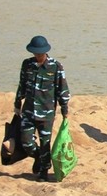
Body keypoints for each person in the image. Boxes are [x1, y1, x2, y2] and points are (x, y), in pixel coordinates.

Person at [14, 35, 71, 181]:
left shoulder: (55, 66)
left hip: (47, 112)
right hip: (28, 110)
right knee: (26, 142)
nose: (38, 56)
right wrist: (17, 103)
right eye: (36, 53)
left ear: (46, 52)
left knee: (45, 142)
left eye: (40, 53)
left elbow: (62, 88)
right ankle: (39, 157)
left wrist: (64, 108)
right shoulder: (27, 65)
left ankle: (44, 172)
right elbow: (22, 84)